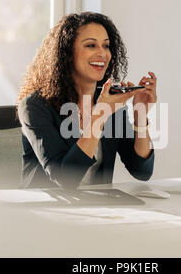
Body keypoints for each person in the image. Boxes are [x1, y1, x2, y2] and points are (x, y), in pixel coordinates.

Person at [17, 12, 157, 189]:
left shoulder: (110, 100)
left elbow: (142, 171)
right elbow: (65, 179)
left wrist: (141, 114)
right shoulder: (34, 106)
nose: (102, 53)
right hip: (46, 209)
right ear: (67, 53)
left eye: (106, 46)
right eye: (91, 45)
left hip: (96, 209)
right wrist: (100, 115)